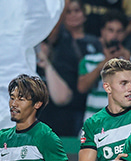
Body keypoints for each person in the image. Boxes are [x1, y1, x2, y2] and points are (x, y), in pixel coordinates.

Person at [37, 0, 102, 136]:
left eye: (77, 11)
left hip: (86, 102)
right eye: (68, 12)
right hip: (61, 103)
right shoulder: (59, 38)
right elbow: (52, 31)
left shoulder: (95, 42)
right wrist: (64, 4)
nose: (73, 15)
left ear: (84, 15)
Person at [77, 10, 131, 122]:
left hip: (122, 123)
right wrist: (105, 63)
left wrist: (127, 62)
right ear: (102, 31)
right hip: (94, 123)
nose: (114, 36)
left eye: (119, 31)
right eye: (110, 30)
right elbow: (82, 88)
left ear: (124, 33)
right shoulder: (89, 60)